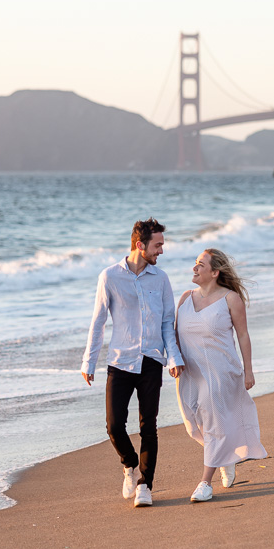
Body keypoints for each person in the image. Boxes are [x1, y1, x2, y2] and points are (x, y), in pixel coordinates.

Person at [81, 218, 184, 508]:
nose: (161, 251)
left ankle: (145, 485)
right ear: (140, 245)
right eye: (158, 245)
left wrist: (173, 358)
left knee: (148, 426)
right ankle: (129, 465)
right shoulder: (109, 277)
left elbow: (167, 322)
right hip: (120, 361)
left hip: (151, 360)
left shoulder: (161, 279)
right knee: (114, 425)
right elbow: (98, 321)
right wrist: (89, 361)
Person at [174, 248, 267, 503]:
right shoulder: (184, 299)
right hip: (190, 373)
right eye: (195, 263)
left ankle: (205, 483)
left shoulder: (230, 299)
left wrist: (248, 370)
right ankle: (223, 456)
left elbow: (243, 335)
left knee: (213, 420)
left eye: (200, 265)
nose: (194, 268)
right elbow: (174, 336)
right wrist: (173, 360)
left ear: (214, 272)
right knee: (193, 424)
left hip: (220, 371)